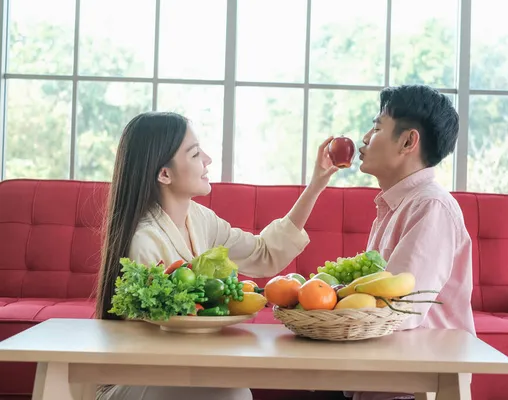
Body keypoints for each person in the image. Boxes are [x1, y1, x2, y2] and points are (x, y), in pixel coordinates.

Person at [95, 111, 339, 400]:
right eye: (196, 153)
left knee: (235, 392)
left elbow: (262, 253)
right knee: (233, 394)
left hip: (184, 364)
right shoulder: (145, 241)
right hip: (147, 373)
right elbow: (158, 335)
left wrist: (316, 185)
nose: (208, 160)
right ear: (164, 173)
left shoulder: (199, 219)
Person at [344, 85, 475, 400]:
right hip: (388, 376)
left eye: (376, 128)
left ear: (407, 141)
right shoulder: (395, 205)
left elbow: (402, 309)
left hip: (417, 383)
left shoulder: (431, 206)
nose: (364, 138)